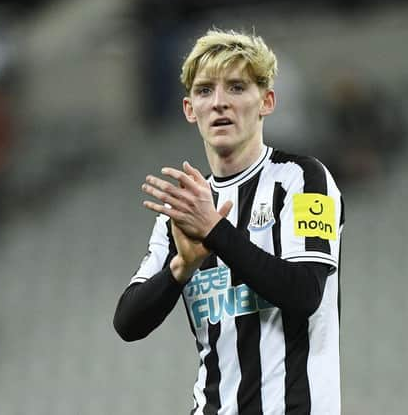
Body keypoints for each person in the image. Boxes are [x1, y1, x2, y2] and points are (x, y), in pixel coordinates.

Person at [113, 29, 344, 414]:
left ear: (266, 101)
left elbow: (305, 293)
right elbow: (127, 322)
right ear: (190, 109)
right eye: (205, 91)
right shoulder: (184, 208)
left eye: (236, 88)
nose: (219, 102)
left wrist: (216, 232)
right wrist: (180, 270)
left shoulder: (303, 180)